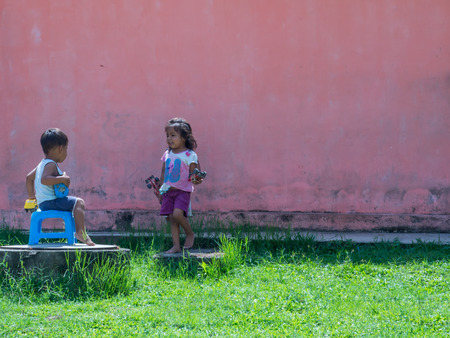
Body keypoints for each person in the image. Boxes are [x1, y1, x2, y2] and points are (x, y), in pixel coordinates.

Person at [26, 128, 95, 246]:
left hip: (43, 203)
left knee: (71, 204)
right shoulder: (51, 164)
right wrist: (63, 179)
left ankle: (74, 229)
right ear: (60, 148)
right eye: (66, 149)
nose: (66, 152)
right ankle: (80, 233)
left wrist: (32, 198)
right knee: (79, 202)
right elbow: (44, 179)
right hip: (52, 202)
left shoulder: (41, 164)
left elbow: (28, 178)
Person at [158, 118, 203, 253]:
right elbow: (163, 169)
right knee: (172, 218)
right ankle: (176, 246)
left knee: (178, 214)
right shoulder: (168, 153)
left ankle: (190, 233)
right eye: (167, 135)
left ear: (183, 138)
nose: (169, 139)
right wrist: (160, 186)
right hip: (168, 191)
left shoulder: (190, 155)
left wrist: (197, 179)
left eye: (173, 135)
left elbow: (195, 174)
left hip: (182, 191)